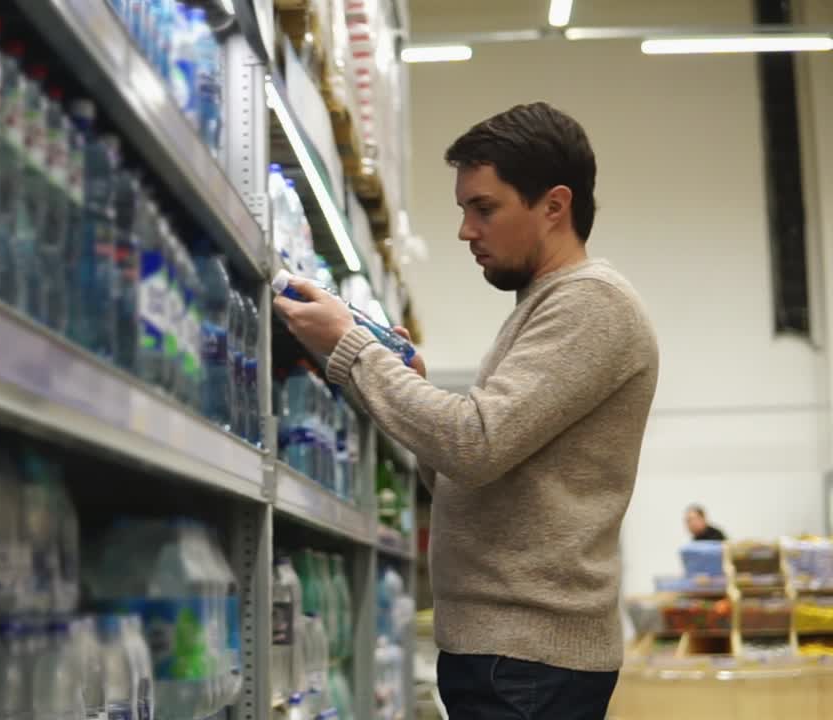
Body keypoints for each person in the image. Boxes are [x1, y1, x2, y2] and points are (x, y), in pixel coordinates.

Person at [274, 102, 659, 719]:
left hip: (531, 663)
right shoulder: (540, 308)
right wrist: (408, 389)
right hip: (508, 658)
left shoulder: (591, 306)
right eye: (463, 210)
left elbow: (474, 446)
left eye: (484, 208)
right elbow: (468, 475)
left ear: (554, 206)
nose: (465, 231)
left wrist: (347, 346)